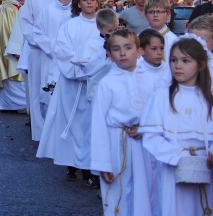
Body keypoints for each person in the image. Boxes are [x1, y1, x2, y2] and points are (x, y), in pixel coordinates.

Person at [37, 0, 105, 185]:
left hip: (96, 83)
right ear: (78, 3)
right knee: (73, 123)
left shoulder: (104, 24)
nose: (90, 3)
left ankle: (90, 167)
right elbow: (62, 51)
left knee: (91, 125)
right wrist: (81, 68)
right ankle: (72, 162)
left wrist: (94, 68)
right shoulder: (70, 25)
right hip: (73, 83)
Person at [139, 38, 213, 216]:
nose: (177, 65)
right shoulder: (161, 96)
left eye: (185, 61)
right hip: (172, 168)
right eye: (173, 60)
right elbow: (151, 136)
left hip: (206, 167)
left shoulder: (209, 98)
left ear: (201, 65)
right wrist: (178, 157)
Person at [90, 29, 160, 215]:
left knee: (147, 192)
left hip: (146, 146)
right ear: (109, 55)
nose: (122, 53)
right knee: (119, 193)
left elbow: (159, 114)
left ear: (139, 51)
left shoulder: (153, 80)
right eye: (116, 49)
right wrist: (102, 163)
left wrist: (145, 128)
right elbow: (98, 124)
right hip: (116, 144)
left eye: (128, 48)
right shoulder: (107, 84)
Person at [30, 0, 75, 140]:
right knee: (49, 100)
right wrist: (53, 47)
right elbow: (37, 32)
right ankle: (52, 137)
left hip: (73, 62)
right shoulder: (48, 11)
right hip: (52, 59)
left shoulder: (78, 10)